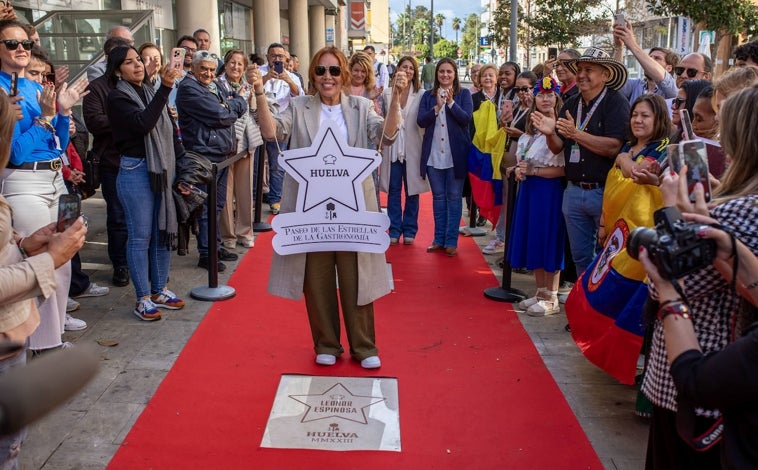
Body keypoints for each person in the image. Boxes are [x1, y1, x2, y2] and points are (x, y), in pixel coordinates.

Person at [257, 46, 405, 369]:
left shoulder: (361, 106)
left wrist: (395, 100)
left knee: (357, 278)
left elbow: (386, 136)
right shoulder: (297, 107)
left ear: (344, 75)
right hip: (311, 213)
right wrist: (258, 92)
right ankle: (326, 343)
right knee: (317, 279)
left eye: (334, 71)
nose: (328, 77)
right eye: (321, 71)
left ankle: (364, 347)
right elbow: (271, 133)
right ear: (313, 75)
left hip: (353, 210)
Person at [641, 84, 758, 469]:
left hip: (701, 380)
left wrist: (674, 213)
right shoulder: (733, 206)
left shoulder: (735, 215)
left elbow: (668, 281)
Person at [0, 92, 87, 470]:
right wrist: (49, 259)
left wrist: (24, 243)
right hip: (4, 333)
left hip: (13, 330)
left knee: (12, 441)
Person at [639, 207, 758, 469]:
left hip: (707, 399)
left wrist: (670, 294)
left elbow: (694, 380)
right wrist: (734, 253)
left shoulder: (742, 210)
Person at [0, 19, 89, 354]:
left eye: (24, 43)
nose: (21, 49)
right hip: (23, 181)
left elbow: (58, 144)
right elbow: (15, 152)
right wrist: (48, 118)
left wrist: (63, 114)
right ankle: (40, 343)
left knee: (62, 259)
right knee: (41, 259)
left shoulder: (35, 88)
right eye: (12, 44)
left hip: (53, 178)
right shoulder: (3, 91)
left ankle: (51, 338)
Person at [105, 46, 186, 320]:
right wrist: (165, 88)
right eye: (129, 63)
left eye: (138, 60)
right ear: (118, 70)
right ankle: (142, 297)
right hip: (136, 170)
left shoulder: (149, 90)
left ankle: (159, 289)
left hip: (161, 170)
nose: (138, 65)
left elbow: (167, 129)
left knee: (162, 230)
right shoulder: (118, 98)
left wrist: (183, 165)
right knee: (140, 237)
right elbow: (143, 124)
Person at [539, 47, 630, 276]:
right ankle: (583, 302)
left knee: (606, 256)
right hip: (573, 191)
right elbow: (558, 146)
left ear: (606, 75)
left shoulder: (615, 102)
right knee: (580, 255)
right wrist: (550, 132)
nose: (581, 75)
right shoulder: (571, 103)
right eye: (579, 69)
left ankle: (600, 305)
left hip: (603, 191)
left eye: (589, 70)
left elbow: (613, 148)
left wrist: (575, 134)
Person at [176, 50, 248, 272]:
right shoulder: (189, 88)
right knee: (206, 207)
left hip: (220, 154)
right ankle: (207, 253)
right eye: (203, 69)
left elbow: (235, 107)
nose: (208, 73)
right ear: (194, 68)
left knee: (216, 205)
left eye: (211, 69)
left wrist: (230, 104)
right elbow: (220, 116)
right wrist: (230, 104)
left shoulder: (215, 84)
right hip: (202, 155)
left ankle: (215, 247)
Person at [508, 77, 565, 316]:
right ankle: (540, 291)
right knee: (534, 239)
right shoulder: (530, 129)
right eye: (540, 94)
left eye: (549, 95)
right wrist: (519, 169)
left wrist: (534, 171)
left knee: (548, 239)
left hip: (548, 192)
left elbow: (560, 163)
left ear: (557, 98)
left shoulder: (559, 128)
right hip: (530, 191)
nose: (544, 99)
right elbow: (527, 159)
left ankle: (551, 296)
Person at [82, 36, 133, 287]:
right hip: (112, 162)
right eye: (126, 59)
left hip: (139, 160)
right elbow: (95, 122)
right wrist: (127, 120)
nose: (134, 64)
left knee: (140, 216)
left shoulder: (138, 85)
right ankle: (120, 264)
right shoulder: (97, 88)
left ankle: (137, 260)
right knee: (118, 216)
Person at [417, 57, 473, 257]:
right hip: (433, 156)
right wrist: (437, 107)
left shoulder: (464, 94)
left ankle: (451, 241)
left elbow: (466, 119)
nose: (445, 75)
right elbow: (421, 121)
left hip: (455, 155)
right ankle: (438, 239)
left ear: (455, 74)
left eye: (449, 71)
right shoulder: (428, 96)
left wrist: (450, 103)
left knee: (454, 198)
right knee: (438, 198)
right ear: (436, 73)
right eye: (442, 71)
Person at [484, 70, 537, 256]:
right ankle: (503, 239)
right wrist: (503, 124)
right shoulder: (516, 107)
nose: (521, 93)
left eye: (525, 89)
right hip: (506, 164)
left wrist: (519, 134)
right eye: (518, 89)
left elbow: (537, 139)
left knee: (515, 206)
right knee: (506, 203)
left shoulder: (535, 110)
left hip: (522, 167)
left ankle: (509, 242)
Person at [217, 49, 263, 250]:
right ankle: (228, 236)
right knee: (225, 194)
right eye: (232, 63)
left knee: (245, 191)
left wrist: (253, 97)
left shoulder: (248, 86)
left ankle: (245, 232)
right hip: (225, 144)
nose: (236, 67)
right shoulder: (216, 85)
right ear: (225, 64)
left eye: (240, 64)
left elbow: (255, 113)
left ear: (244, 68)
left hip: (245, 142)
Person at [379, 56, 428, 246]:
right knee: (393, 190)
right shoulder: (387, 93)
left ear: (415, 73)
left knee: (412, 192)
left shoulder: (422, 94)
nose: (407, 71)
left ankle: (409, 230)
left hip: (412, 148)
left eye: (411, 68)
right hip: (392, 148)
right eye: (404, 67)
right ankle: (394, 228)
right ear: (397, 69)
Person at [259, 43, 304, 215]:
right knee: (257, 165)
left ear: (286, 59)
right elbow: (250, 89)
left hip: (280, 125)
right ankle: (255, 199)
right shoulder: (260, 72)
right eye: (273, 56)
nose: (277, 59)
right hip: (258, 122)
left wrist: (287, 79)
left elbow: (299, 95)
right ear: (267, 57)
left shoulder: (293, 76)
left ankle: (275, 199)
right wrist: (266, 78)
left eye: (280, 56)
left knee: (277, 163)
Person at [613, 23, 678, 103]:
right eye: (650, 57)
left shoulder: (673, 88)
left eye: (657, 58)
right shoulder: (636, 85)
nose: (651, 60)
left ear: (669, 68)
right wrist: (619, 47)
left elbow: (661, 76)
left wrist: (632, 44)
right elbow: (616, 80)